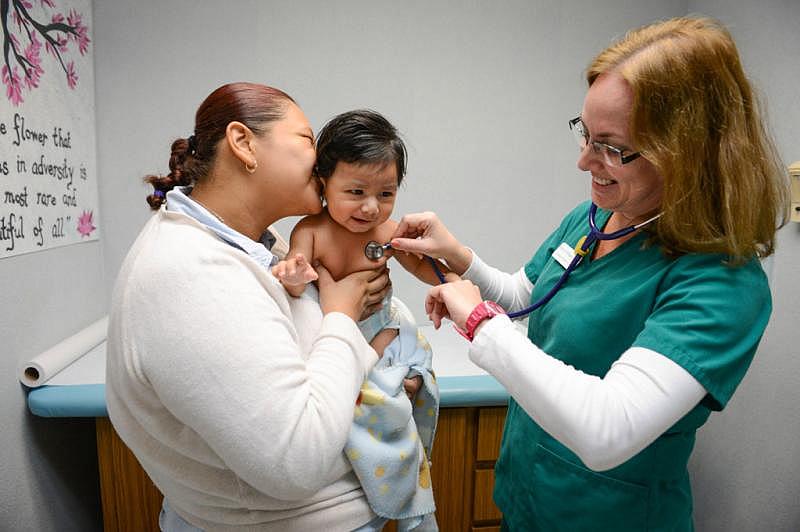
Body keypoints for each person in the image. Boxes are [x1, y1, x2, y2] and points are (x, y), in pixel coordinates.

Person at [389, 16, 790, 531]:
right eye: (585, 133)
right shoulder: (595, 219)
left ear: (688, 153)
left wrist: (480, 324)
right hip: (528, 504)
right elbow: (529, 298)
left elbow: (609, 429)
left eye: (611, 147)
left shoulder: (721, 283)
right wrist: (460, 262)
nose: (584, 162)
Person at [105, 82, 397, 531]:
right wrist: (341, 316)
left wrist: (376, 366)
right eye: (306, 139)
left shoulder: (259, 245)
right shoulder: (189, 273)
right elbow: (295, 461)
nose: (320, 160)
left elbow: (300, 363)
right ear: (243, 143)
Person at [271, 109, 445, 530]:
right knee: (372, 408)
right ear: (323, 183)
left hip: (385, 327)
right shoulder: (310, 231)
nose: (371, 207)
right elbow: (298, 287)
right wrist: (293, 278)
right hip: (342, 338)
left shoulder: (386, 233)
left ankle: (411, 491)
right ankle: (384, 484)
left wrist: (447, 279)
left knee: (411, 363)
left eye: (386, 194)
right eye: (356, 191)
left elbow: (427, 268)